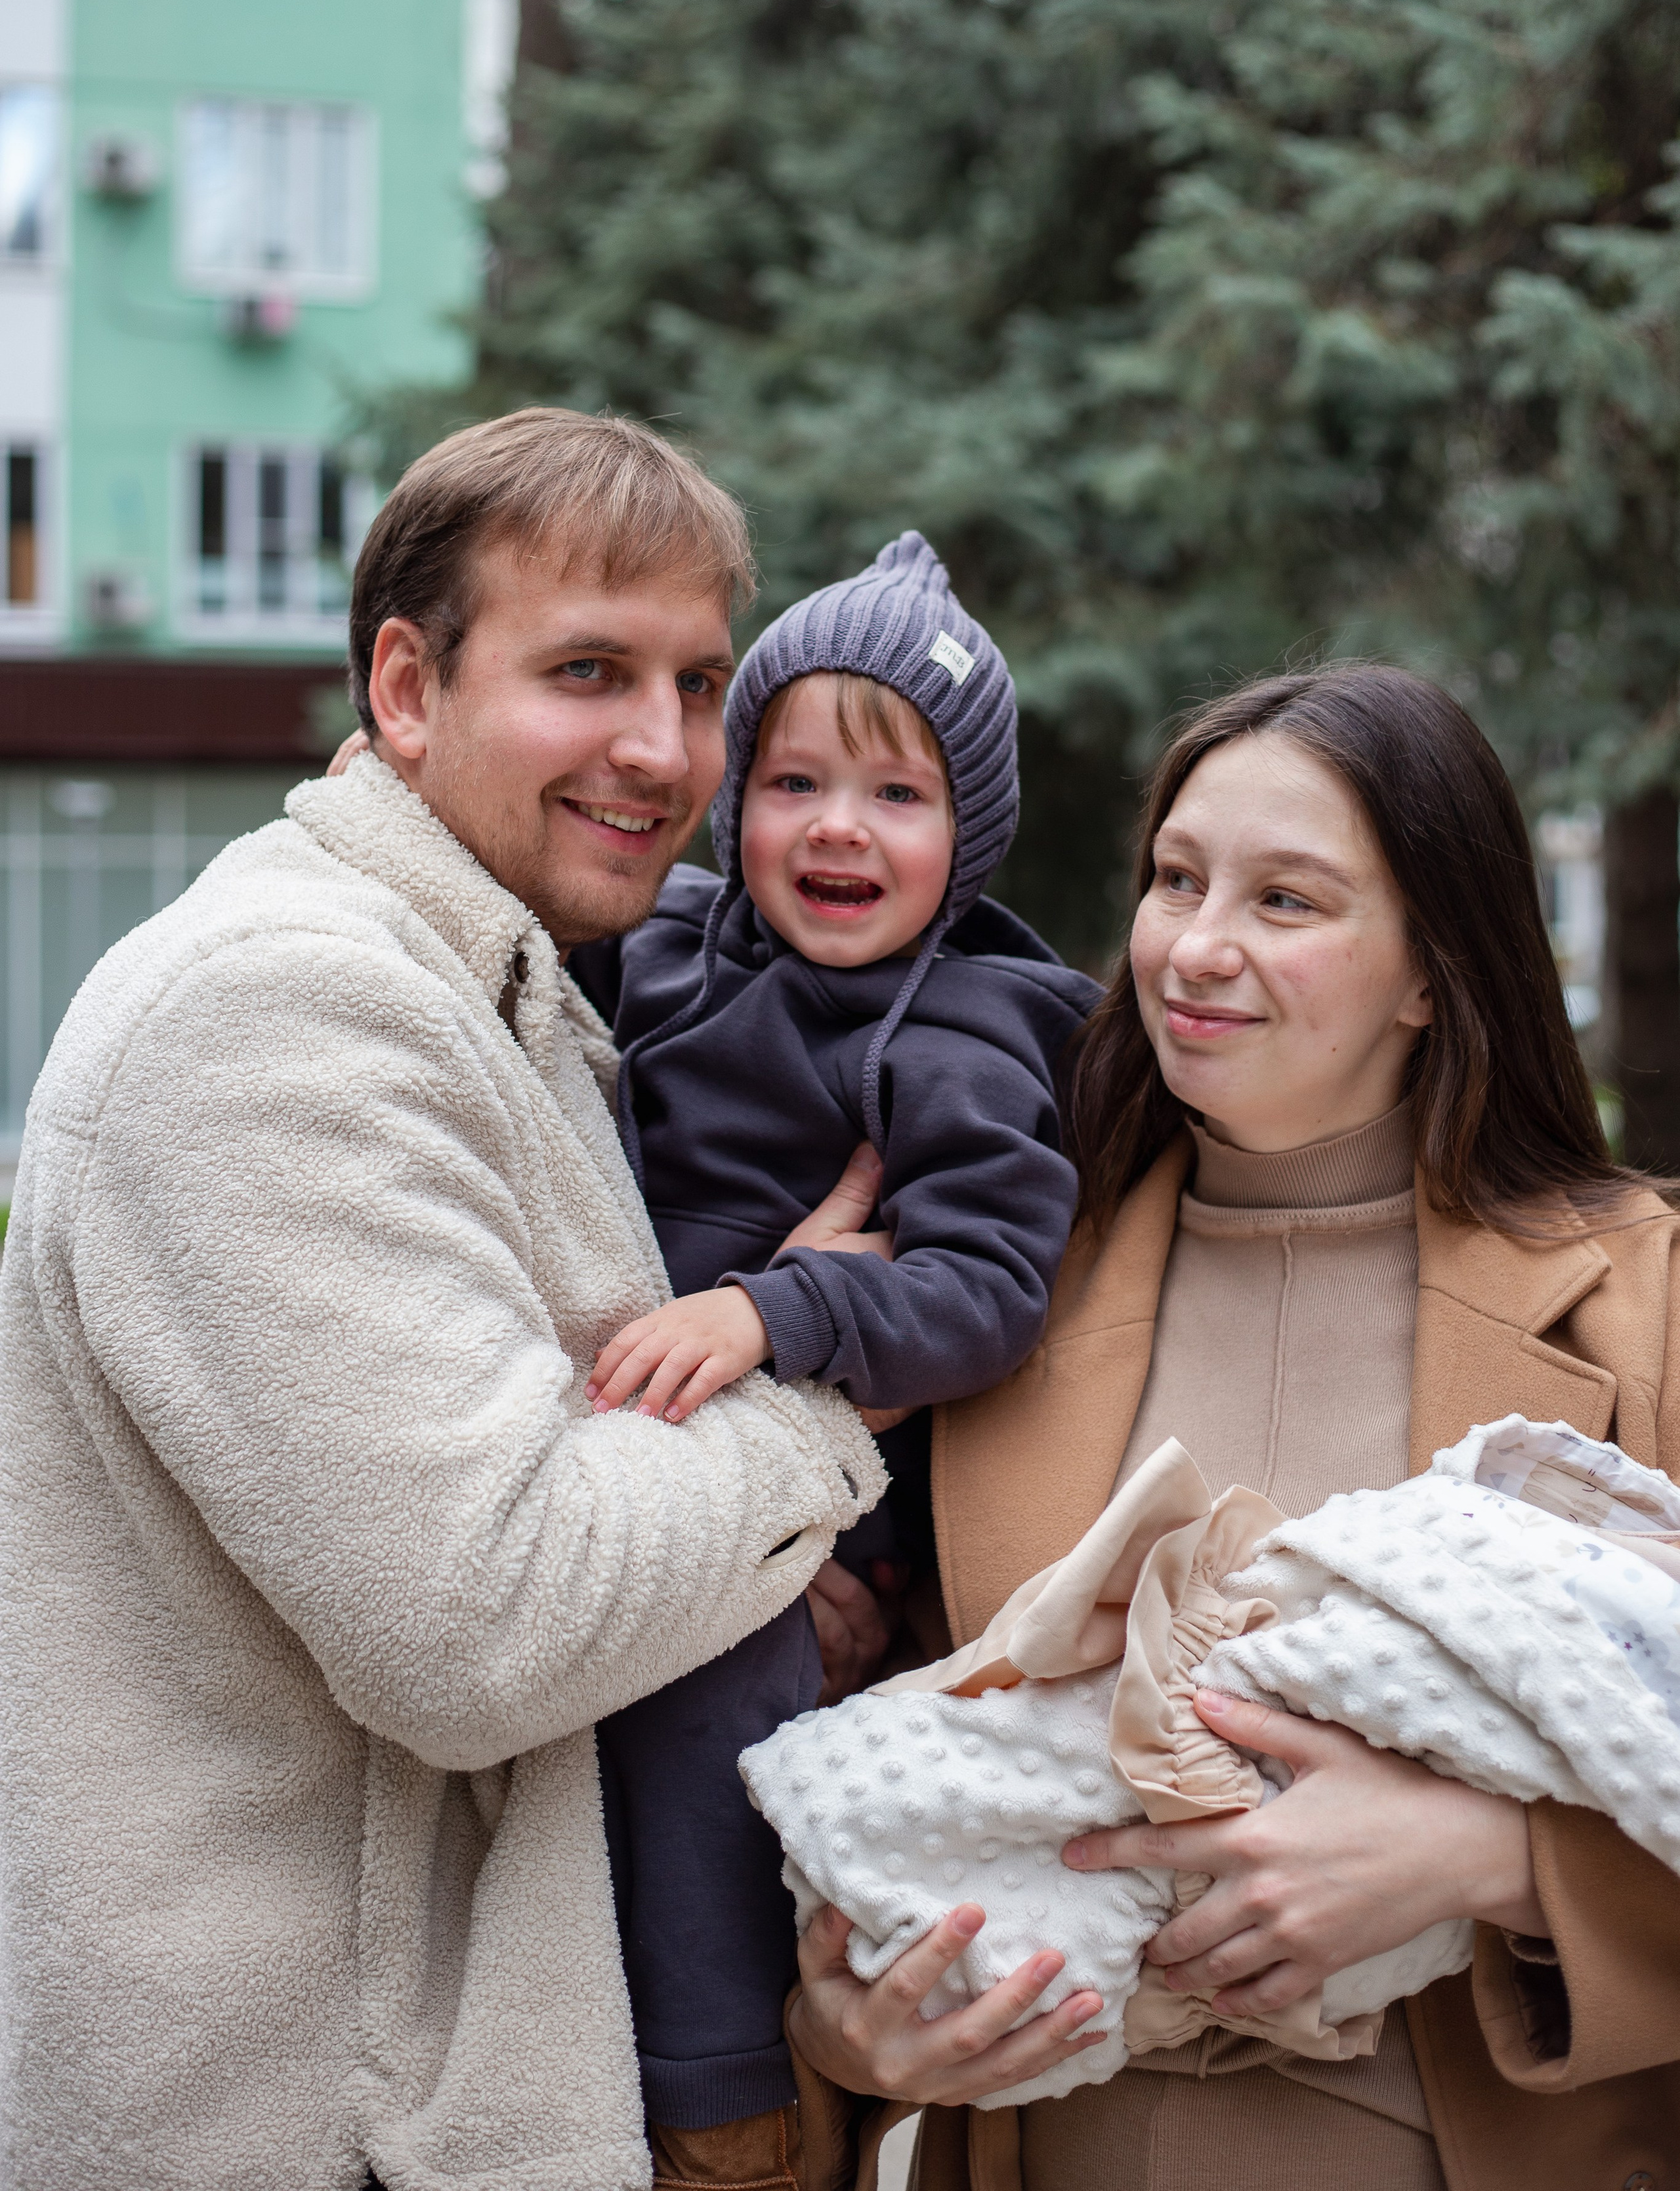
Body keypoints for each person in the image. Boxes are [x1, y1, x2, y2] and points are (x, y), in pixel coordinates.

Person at [0, 406, 889, 2191]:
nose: (665, 750)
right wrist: (822, 1388)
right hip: (291, 2125)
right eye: (588, 671)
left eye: (703, 683)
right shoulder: (277, 1013)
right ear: (407, 687)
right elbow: (488, 1617)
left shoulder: (497, 982)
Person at [785, 664, 1680, 2191]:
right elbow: (870, 1759)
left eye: (1286, 901)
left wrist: (1503, 1866)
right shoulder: (988, 1305)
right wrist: (845, 2036)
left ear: (1428, 970)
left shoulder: (1643, 1299)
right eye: (1176, 881)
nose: (1193, 949)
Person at [568, 535, 1101, 2189]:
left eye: (897, 796)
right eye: (793, 780)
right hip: (619, 1454)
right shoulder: (667, 948)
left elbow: (988, 1289)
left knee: (710, 1716)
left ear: (971, 834)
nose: (838, 830)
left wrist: (774, 1312)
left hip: (821, 1504)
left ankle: (716, 2095)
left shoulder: (965, 1037)